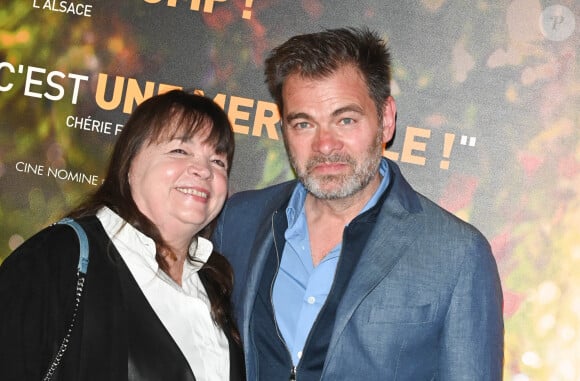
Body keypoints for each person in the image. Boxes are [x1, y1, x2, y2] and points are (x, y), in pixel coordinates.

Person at [212, 27, 504, 380]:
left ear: (386, 119)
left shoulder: (457, 254)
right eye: (304, 124)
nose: (324, 144)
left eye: (345, 120)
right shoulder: (238, 220)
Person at [0, 90, 244, 381]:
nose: (203, 170)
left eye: (218, 161)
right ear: (130, 164)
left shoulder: (216, 289)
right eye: (180, 150)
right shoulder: (58, 257)